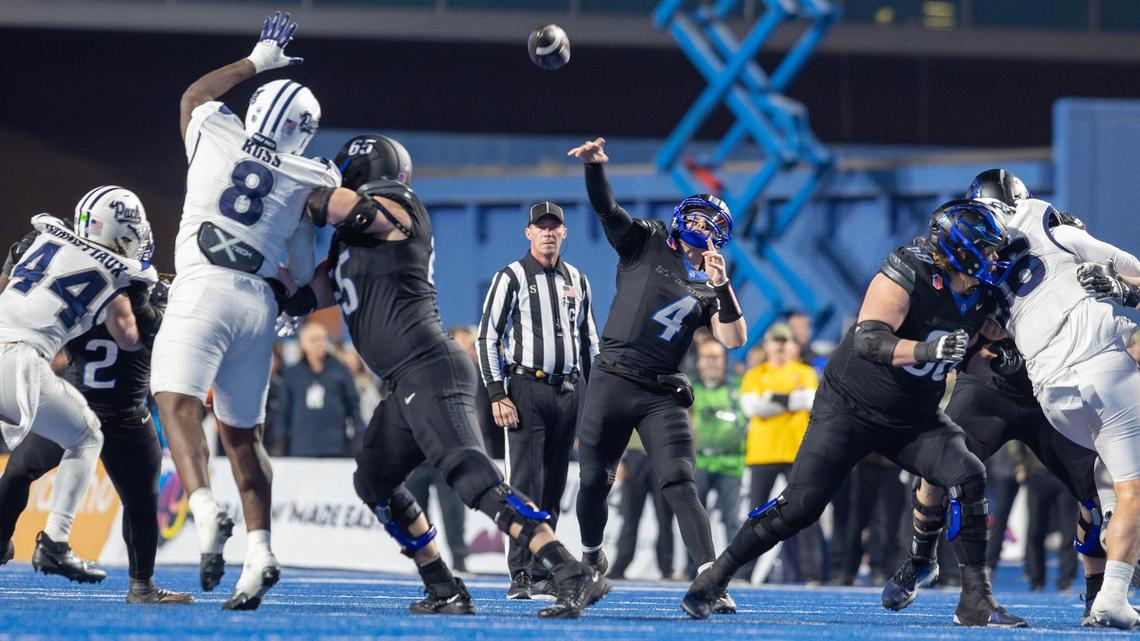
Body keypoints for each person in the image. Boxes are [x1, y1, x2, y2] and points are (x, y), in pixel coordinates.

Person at [281, 133, 610, 618]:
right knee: (373, 481)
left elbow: (331, 204)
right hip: (404, 379)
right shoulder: (354, 247)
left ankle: (566, 569)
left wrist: (285, 186)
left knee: (468, 473)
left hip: (429, 366)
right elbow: (297, 294)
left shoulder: (396, 205)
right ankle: (443, 583)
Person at [682, 198, 1028, 627]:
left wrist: (997, 361)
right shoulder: (908, 269)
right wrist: (925, 348)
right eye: (988, 249)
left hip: (911, 417)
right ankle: (716, 576)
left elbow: (968, 357)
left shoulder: (982, 295)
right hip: (850, 407)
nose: (994, 258)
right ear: (962, 249)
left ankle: (972, 596)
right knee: (801, 506)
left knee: (968, 473)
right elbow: (868, 339)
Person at [149, 11, 341, 610]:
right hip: (258, 305)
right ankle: (260, 550)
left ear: (257, 108)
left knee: (175, 401)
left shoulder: (215, 129)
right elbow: (306, 271)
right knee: (243, 437)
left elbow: (194, 94)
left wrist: (257, 59)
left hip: (202, 286)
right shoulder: (314, 172)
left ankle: (204, 509)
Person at [882, 170, 1110, 625]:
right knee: (937, 472)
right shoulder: (968, 257)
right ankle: (921, 557)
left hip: (1052, 387)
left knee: (1095, 494)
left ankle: (1096, 595)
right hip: (990, 389)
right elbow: (958, 342)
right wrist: (988, 351)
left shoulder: (1062, 238)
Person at [565, 137, 747, 612]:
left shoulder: (711, 282)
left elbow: (733, 340)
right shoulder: (645, 241)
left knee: (680, 480)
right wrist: (595, 169)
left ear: (719, 236)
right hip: (612, 377)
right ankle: (590, 557)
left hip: (660, 391)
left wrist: (722, 285)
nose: (699, 225)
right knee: (593, 481)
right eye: (696, 216)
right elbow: (609, 211)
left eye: (710, 223)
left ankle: (711, 576)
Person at [0, 226, 189, 603]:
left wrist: (140, 301)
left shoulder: (125, 288)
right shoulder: (113, 284)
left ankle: (142, 585)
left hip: (108, 410)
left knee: (140, 498)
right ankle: (138, 585)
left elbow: (156, 335)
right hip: (95, 406)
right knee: (20, 472)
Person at [477, 200, 599, 599]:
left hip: (570, 390)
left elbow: (589, 341)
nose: (548, 233)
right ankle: (521, 573)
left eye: (554, 227)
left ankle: (546, 569)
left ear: (564, 233)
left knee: (555, 484)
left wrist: (596, 395)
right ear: (528, 233)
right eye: (540, 227)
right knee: (524, 483)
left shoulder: (578, 279)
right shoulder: (510, 276)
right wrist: (497, 392)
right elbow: (487, 337)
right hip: (527, 388)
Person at [738, 323, 820, 583]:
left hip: (796, 451)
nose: (781, 346)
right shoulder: (754, 374)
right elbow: (752, 408)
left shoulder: (805, 372)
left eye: (785, 341)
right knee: (755, 514)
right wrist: (788, 401)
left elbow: (809, 401)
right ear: (768, 344)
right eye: (776, 341)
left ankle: (813, 573)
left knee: (807, 511)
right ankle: (743, 571)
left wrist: (772, 399)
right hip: (762, 453)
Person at [687, 340, 745, 578]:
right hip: (699, 463)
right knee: (694, 519)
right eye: (707, 357)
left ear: (724, 361)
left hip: (730, 464)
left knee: (732, 520)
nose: (711, 362)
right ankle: (694, 568)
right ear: (698, 361)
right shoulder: (689, 389)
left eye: (716, 357)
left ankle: (736, 570)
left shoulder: (738, 387)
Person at [275, 322, 361, 457]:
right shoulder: (293, 373)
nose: (319, 343)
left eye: (322, 338)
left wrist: (358, 437)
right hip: (301, 447)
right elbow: (283, 410)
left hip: (335, 446)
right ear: (303, 343)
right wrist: (280, 443)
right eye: (314, 339)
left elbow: (353, 405)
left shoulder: (340, 370)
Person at [608, 433, 676, 580]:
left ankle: (666, 569)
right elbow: (620, 423)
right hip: (633, 457)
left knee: (665, 518)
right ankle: (620, 566)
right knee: (629, 517)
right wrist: (617, 460)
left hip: (663, 456)